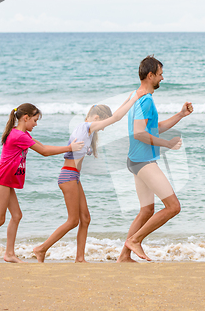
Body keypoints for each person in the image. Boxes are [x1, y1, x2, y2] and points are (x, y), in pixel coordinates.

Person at [33, 89, 147, 263]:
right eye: (103, 124)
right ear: (96, 119)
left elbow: (114, 116)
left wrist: (129, 99)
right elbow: (115, 118)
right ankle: (41, 249)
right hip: (68, 177)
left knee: (85, 218)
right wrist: (135, 99)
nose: (103, 128)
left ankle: (80, 258)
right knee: (72, 221)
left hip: (74, 177)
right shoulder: (86, 127)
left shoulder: (86, 128)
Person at [0, 103, 84, 263]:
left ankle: (9, 254)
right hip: (2, 179)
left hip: (6, 180)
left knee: (16, 215)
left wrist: (68, 148)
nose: (36, 124)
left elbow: (43, 146)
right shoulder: (18, 136)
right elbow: (44, 152)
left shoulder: (22, 134)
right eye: (35, 120)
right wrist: (69, 148)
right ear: (26, 118)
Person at [117, 55, 193, 262]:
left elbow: (154, 128)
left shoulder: (137, 95)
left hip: (135, 161)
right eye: (160, 74)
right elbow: (140, 133)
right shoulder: (146, 100)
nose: (162, 78)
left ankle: (124, 256)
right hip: (143, 162)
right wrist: (167, 144)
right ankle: (135, 240)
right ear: (150, 75)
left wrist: (180, 115)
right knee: (173, 207)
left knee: (146, 210)